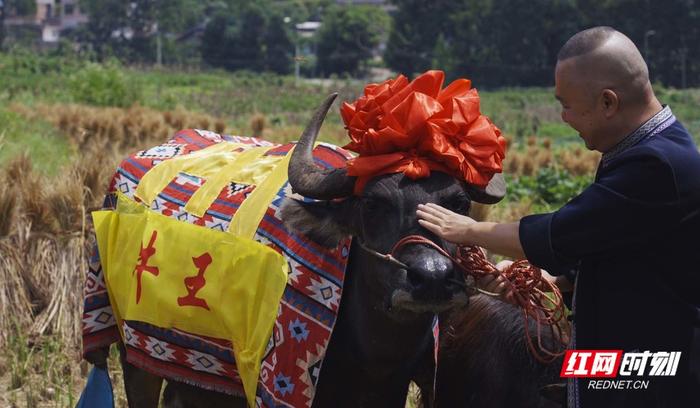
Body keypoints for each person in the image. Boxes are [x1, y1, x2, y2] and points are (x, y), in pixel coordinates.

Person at [417, 26, 700, 407]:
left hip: (652, 369)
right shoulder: (644, 149)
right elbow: (615, 247)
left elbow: (563, 231)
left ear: (608, 102)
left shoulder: (657, 165)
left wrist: (468, 229)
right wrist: (553, 280)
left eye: (566, 104)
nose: (563, 117)